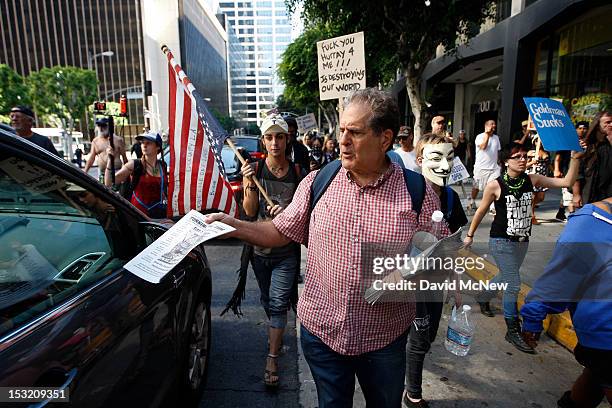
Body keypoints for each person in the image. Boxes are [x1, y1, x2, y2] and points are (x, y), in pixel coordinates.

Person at [205, 88, 445, 407]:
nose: (343, 140)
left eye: (355, 133)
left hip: (383, 341)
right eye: (342, 129)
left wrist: (414, 273)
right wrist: (234, 226)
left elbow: (438, 260)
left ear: (385, 139)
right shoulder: (320, 181)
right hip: (322, 335)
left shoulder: (417, 193)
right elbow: (280, 230)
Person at [463, 143, 584, 354]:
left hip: (522, 241)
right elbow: (481, 210)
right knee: (514, 283)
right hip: (500, 241)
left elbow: (567, 181)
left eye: (523, 156)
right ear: (505, 162)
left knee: (506, 276)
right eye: (516, 156)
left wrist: (575, 158)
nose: (522, 160)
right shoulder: (495, 185)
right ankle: (512, 328)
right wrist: (470, 235)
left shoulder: (532, 180)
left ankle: (483, 296)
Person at [520, 196, 612, 408]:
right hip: (605, 335)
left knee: (593, 381)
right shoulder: (592, 223)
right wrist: (533, 318)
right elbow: (558, 280)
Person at [405, 133, 468, 408]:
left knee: (428, 336)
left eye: (449, 157)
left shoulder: (452, 198)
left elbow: (454, 244)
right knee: (419, 339)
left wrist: (456, 284)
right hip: (410, 280)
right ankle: (412, 395)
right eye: (436, 157)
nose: (444, 164)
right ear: (420, 161)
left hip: (437, 280)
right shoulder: (409, 193)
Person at [240, 114, 303, 388]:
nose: (274, 142)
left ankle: (272, 356)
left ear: (287, 139)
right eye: (269, 137)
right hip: (259, 252)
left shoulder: (299, 173)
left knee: (278, 303)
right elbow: (250, 211)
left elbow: (304, 214)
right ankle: (275, 332)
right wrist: (251, 184)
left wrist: (288, 212)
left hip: (287, 252)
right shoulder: (253, 169)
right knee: (268, 301)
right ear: (263, 140)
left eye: (279, 136)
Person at [104, 132, 167, 218]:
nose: (144, 145)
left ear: (158, 146)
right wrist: (109, 159)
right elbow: (109, 182)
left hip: (157, 213)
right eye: (142, 143)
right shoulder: (134, 164)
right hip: (137, 215)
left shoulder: (162, 165)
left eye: (148, 143)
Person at [554, 121, 588, 220]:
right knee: (569, 193)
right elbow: (558, 157)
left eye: (584, 128)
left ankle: (561, 211)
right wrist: (556, 169)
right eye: (580, 128)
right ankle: (572, 216)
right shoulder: (568, 141)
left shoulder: (588, 143)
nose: (582, 130)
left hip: (583, 173)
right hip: (567, 172)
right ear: (576, 129)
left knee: (569, 193)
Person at [468, 120, 501, 213]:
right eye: (492, 124)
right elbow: (483, 147)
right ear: (486, 126)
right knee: (477, 187)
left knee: (493, 186)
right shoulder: (480, 136)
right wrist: (487, 134)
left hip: (494, 168)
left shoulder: (496, 138)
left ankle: (492, 207)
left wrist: (498, 162)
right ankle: (471, 202)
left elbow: (497, 151)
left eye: (494, 124)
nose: (494, 125)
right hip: (481, 168)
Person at [84, 117, 128, 184]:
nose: (101, 128)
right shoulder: (95, 141)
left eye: (103, 126)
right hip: (102, 174)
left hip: (116, 172)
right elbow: (91, 158)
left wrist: (127, 174)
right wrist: (85, 172)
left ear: (108, 127)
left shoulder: (118, 140)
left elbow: (124, 158)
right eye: (99, 126)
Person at [582, 111, 612, 204]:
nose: (611, 125)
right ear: (598, 124)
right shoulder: (588, 144)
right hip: (592, 193)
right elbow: (579, 172)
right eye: (607, 122)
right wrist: (576, 195)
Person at [526, 136, 550, 225]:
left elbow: (548, 164)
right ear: (534, 142)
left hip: (543, 176)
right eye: (537, 141)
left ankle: (526, 207)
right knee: (532, 197)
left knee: (540, 197)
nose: (540, 143)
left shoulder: (546, 152)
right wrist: (532, 162)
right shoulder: (531, 153)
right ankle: (531, 216)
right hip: (533, 176)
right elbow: (525, 165)